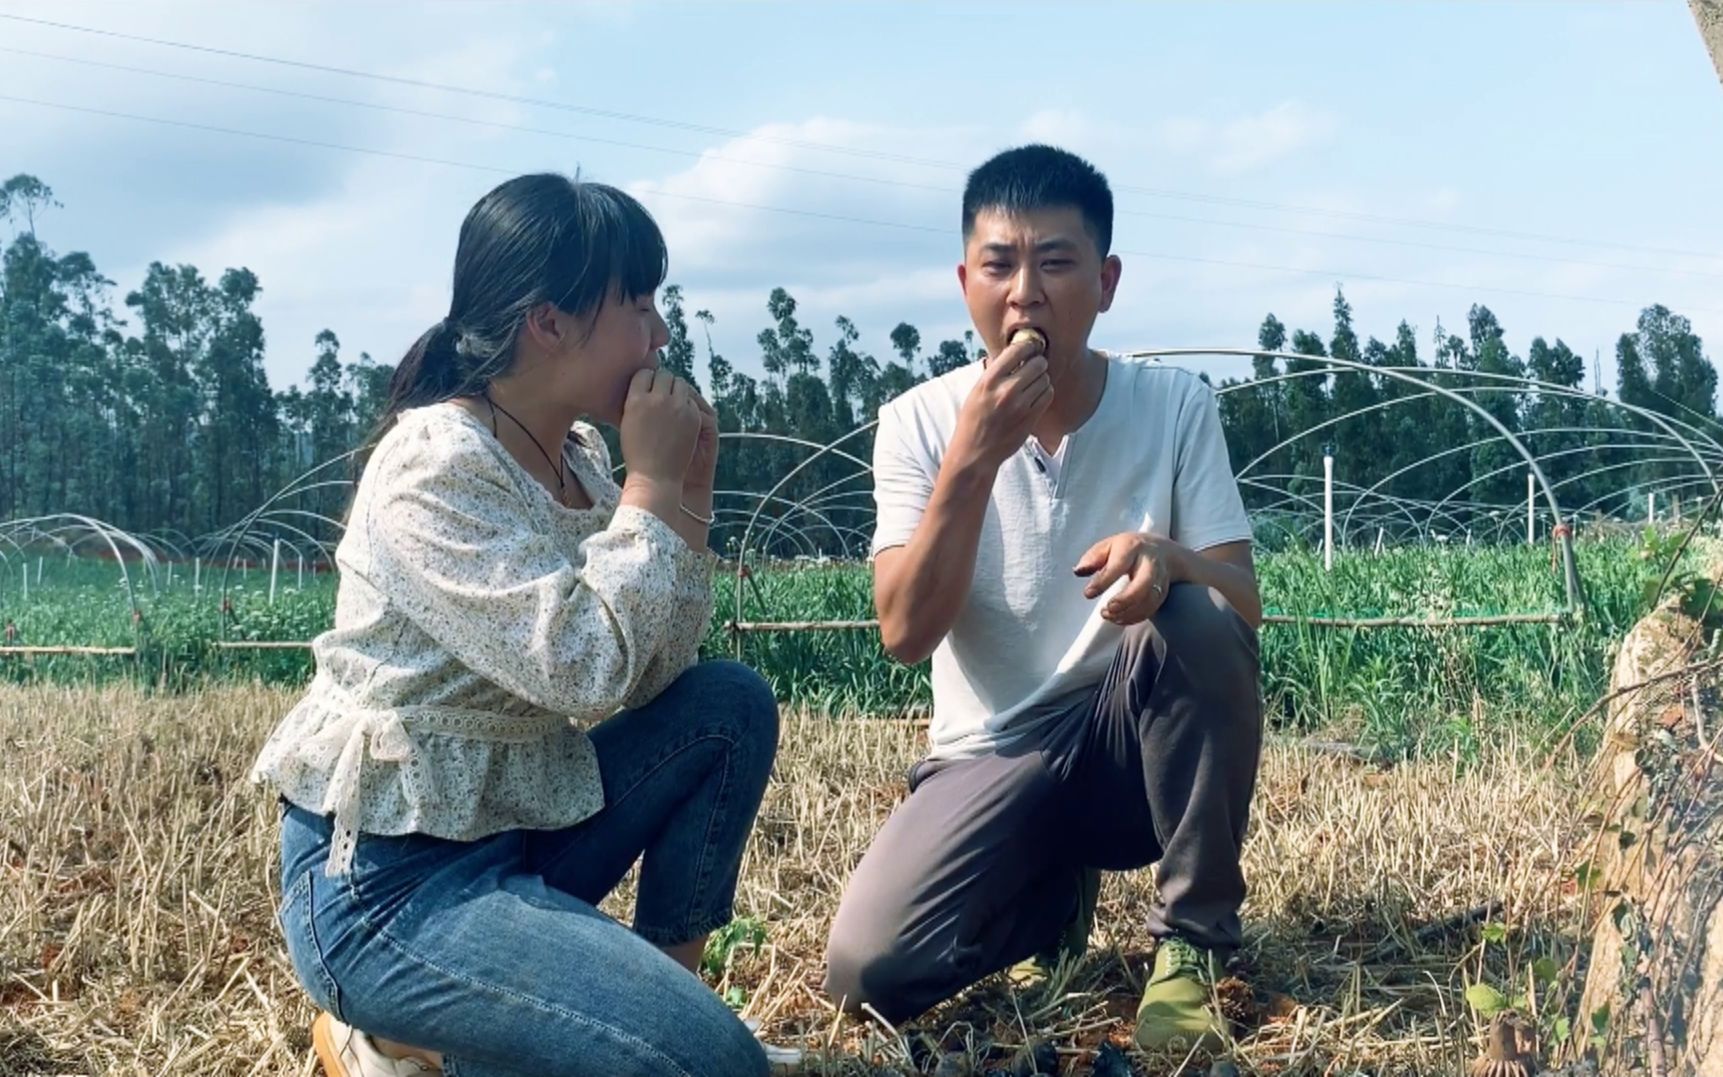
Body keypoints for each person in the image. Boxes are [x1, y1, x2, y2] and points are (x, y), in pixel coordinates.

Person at [250, 173, 778, 1077]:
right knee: (721, 1065)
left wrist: (683, 496)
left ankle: (643, 1016)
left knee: (726, 702)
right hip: (387, 893)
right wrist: (649, 491)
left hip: (513, 832)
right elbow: (586, 671)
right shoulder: (434, 466)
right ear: (549, 322)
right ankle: (399, 1022)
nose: (660, 335)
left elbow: (657, 672)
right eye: (640, 305)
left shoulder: (571, 457)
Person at [823, 144, 1263, 1052]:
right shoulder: (916, 422)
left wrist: (1170, 557)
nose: (1025, 291)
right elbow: (905, 632)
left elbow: (1241, 610)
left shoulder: (1174, 406)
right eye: (999, 264)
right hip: (988, 756)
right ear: (965, 282)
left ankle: (1192, 943)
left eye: (1056, 262)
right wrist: (972, 458)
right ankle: (1048, 896)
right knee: (866, 975)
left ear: (1103, 283)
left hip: (1124, 746)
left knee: (1189, 613)